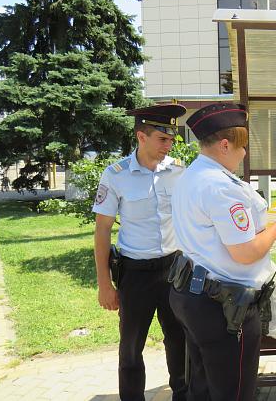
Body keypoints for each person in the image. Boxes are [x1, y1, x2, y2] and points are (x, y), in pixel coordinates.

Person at [169, 102, 276, 401]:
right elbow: (245, 252)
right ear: (225, 145)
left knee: (203, 387)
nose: (244, 153)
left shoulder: (190, 176)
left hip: (193, 295)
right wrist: (275, 230)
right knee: (234, 393)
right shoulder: (221, 186)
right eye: (242, 146)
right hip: (224, 308)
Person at [92, 104, 188, 401]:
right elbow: (103, 230)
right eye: (163, 139)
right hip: (136, 274)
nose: (169, 145)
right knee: (131, 348)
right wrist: (105, 284)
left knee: (180, 343)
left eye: (171, 140)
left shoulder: (178, 171)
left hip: (175, 270)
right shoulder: (116, 175)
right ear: (141, 137)